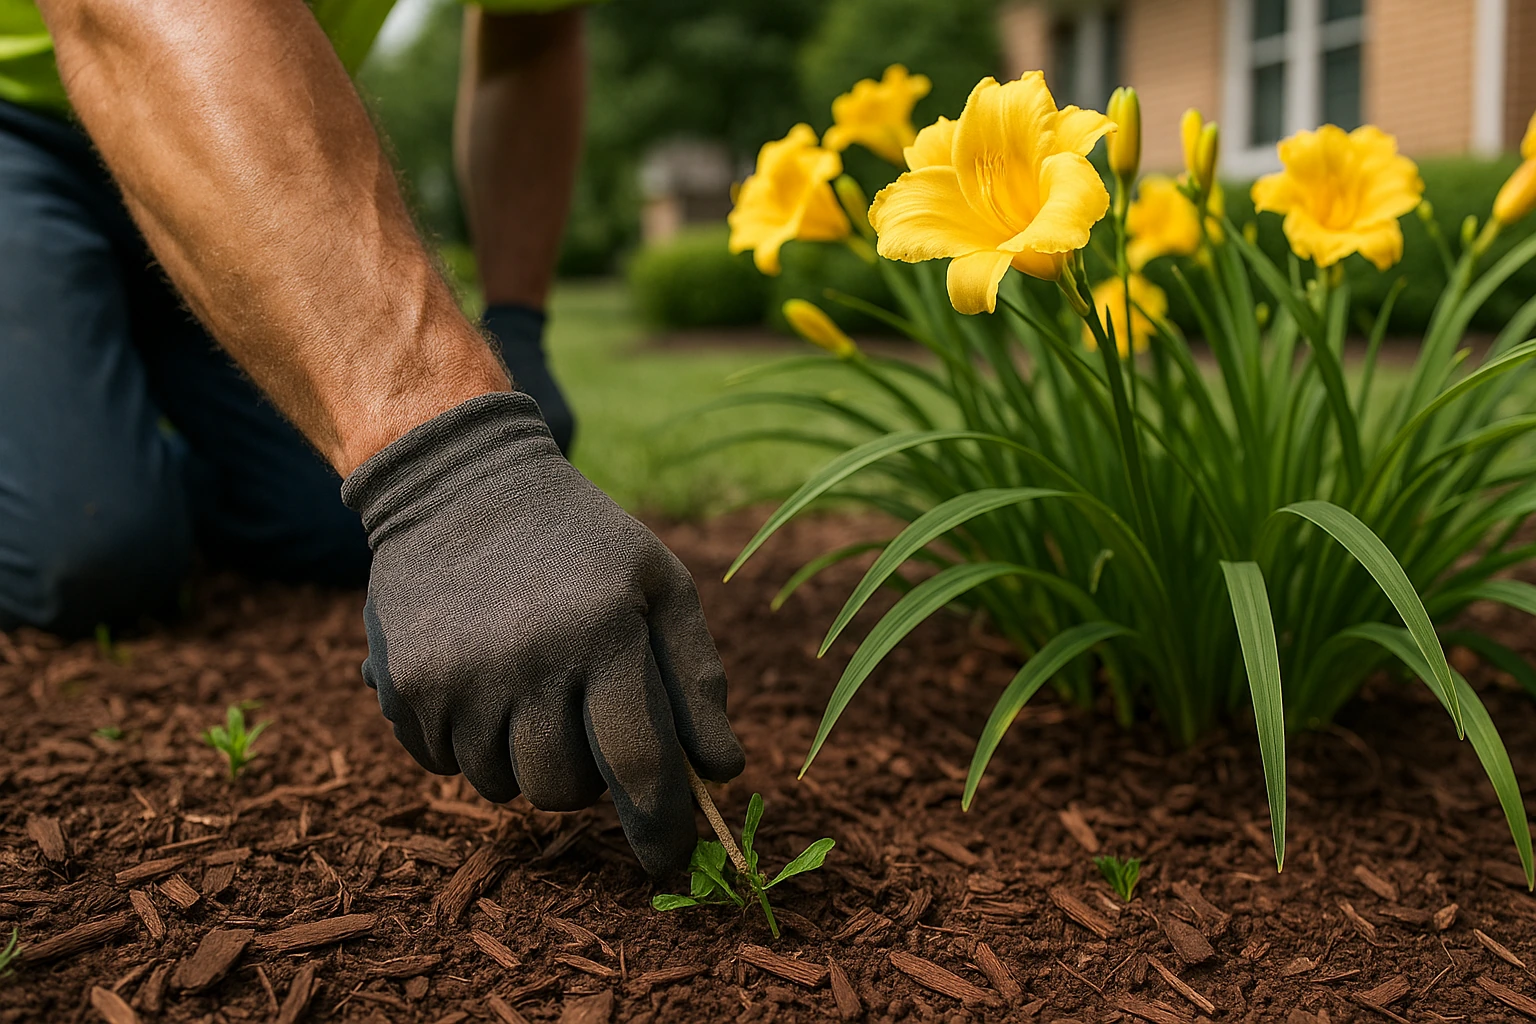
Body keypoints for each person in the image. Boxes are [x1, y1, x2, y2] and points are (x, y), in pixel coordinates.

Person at [0, 0, 744, 875]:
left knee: (330, 524)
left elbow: (530, 34)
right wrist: (453, 471)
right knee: (89, 548)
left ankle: (114, 429)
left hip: (239, 121)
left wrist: (519, 328)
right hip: (28, 117)